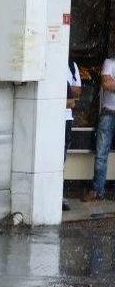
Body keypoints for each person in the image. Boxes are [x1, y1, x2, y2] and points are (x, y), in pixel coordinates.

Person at [84, 56, 115, 202]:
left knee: (102, 154)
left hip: (108, 113)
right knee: (101, 154)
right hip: (108, 112)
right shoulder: (109, 62)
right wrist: (109, 82)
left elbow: (110, 83)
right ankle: (97, 190)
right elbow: (106, 84)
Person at [63, 59, 81, 211]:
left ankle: (59, 195)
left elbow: (72, 101)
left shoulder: (71, 66)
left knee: (61, 159)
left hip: (66, 119)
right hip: (50, 119)